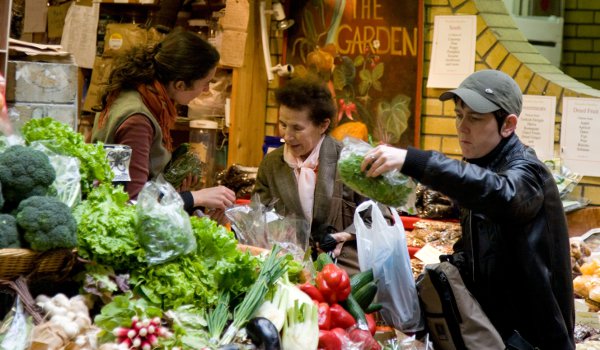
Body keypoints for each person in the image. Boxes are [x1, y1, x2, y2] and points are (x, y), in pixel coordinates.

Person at [361, 70, 574, 349]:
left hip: (533, 340)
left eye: (474, 117)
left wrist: (413, 160)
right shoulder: (483, 166)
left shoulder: (527, 173)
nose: (462, 126)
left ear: (508, 124)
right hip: (494, 333)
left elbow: (500, 193)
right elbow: (479, 251)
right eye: (458, 114)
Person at [92, 30, 235, 216]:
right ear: (180, 85)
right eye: (205, 83)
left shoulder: (131, 95)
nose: (207, 90)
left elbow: (120, 177)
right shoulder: (138, 120)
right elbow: (132, 202)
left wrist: (172, 184)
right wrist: (194, 197)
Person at [253, 78, 371, 274]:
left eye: (297, 128)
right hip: (286, 269)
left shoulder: (349, 162)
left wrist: (346, 236)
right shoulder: (271, 164)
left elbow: (377, 215)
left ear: (323, 125)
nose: (287, 136)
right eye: (283, 124)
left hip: (342, 271)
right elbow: (258, 217)